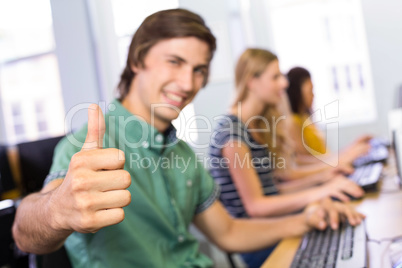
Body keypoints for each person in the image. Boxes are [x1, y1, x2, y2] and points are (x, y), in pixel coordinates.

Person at [12, 10, 364, 268]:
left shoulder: (182, 154)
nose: (188, 82)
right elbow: (23, 233)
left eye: (198, 70)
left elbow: (228, 233)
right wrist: (56, 209)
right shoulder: (85, 148)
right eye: (174, 62)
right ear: (138, 60)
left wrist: (307, 218)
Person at [209, 48, 365, 267]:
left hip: (277, 225)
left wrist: (323, 183)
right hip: (260, 241)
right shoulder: (231, 135)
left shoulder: (253, 125)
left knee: (347, 226)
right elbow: (256, 206)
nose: (284, 83)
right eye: (275, 77)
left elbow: (275, 188)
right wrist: (319, 189)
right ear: (251, 82)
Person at [286, 66, 371, 163]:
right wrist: (347, 155)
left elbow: (324, 156)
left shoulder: (305, 118)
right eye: (310, 90)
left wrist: (352, 148)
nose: (313, 95)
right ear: (297, 92)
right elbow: (306, 161)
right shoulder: (293, 122)